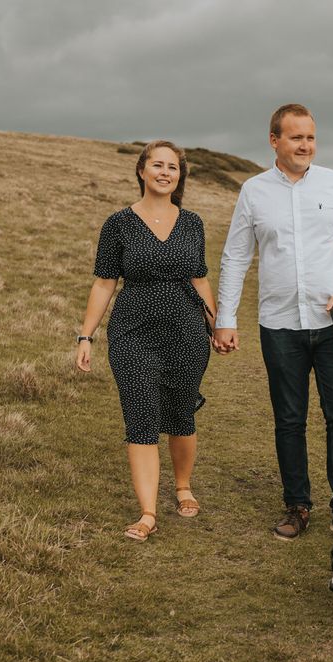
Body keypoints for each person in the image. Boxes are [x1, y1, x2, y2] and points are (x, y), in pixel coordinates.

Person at [213, 104, 333, 542]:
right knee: (289, 418)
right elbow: (236, 256)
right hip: (279, 325)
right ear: (274, 141)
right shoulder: (254, 191)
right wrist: (225, 319)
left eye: (311, 138)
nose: (306, 145)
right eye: (296, 137)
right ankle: (297, 505)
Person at [76, 140, 216, 542]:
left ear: (179, 176)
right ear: (141, 171)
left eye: (172, 167)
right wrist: (86, 335)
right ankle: (148, 512)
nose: (165, 172)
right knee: (140, 415)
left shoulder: (192, 223)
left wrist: (217, 325)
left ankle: (183, 487)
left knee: (180, 411)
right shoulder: (118, 223)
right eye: (157, 165)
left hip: (186, 330)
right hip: (132, 331)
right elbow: (104, 283)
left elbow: (200, 278)